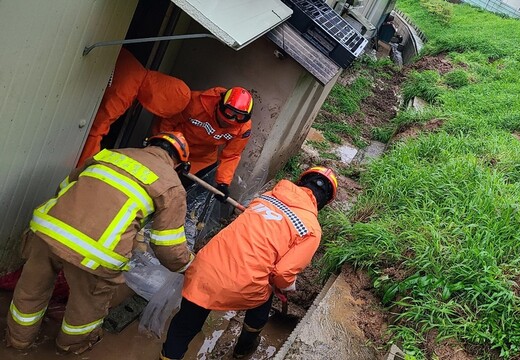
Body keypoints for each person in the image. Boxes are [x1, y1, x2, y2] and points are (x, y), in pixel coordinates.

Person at [6, 132, 196, 355]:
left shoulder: (110, 155)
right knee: (85, 309)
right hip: (95, 254)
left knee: (30, 291)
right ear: (180, 165)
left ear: (148, 144)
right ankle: (68, 348)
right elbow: (167, 247)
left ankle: (17, 343)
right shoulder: (172, 186)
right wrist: (191, 266)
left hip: (48, 230)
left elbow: (65, 188)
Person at [159, 167, 338, 360]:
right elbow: (282, 273)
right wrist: (288, 286)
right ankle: (243, 349)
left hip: (205, 265)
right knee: (265, 297)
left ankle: (167, 356)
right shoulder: (311, 229)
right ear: (325, 203)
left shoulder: (268, 196)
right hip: (242, 283)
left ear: (301, 182)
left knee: (186, 324)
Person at [77, 48, 191, 167]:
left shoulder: (133, 65)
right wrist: (87, 167)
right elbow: (96, 129)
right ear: (159, 103)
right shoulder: (125, 93)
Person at [151, 86, 254, 199]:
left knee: (179, 194)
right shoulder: (196, 103)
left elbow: (232, 155)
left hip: (202, 160)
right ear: (219, 105)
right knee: (155, 182)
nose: (233, 120)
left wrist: (223, 183)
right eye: (229, 113)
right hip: (174, 149)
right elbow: (169, 120)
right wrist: (162, 144)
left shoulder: (243, 128)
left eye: (239, 117)